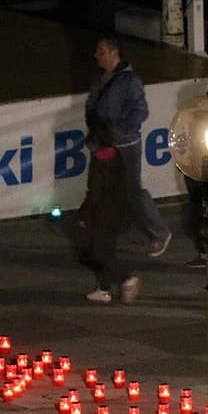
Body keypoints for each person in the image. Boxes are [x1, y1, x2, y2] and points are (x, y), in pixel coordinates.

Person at [85, 33, 172, 258]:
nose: (97, 56)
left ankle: (159, 232)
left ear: (114, 53)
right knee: (100, 188)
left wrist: (116, 132)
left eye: (102, 52)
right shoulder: (101, 78)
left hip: (124, 146)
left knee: (133, 191)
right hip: (103, 143)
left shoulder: (129, 81)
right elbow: (92, 108)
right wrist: (96, 134)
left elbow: (140, 112)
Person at [76, 120, 141, 304]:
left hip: (101, 214)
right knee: (106, 250)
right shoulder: (116, 156)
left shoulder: (99, 162)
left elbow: (95, 192)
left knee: (98, 252)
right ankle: (104, 288)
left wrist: (83, 214)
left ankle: (126, 278)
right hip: (118, 211)